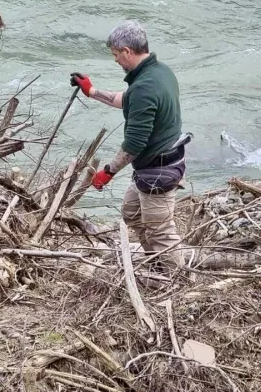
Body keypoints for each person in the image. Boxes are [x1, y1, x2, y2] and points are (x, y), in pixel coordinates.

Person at [69, 20, 190, 271]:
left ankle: (176, 280)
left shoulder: (145, 86)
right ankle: (156, 263)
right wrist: (91, 91)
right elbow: (128, 100)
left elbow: (134, 143)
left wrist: (108, 172)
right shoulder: (159, 72)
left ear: (127, 51)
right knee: (132, 212)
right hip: (158, 163)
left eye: (115, 55)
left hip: (159, 170)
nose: (115, 61)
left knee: (162, 232)